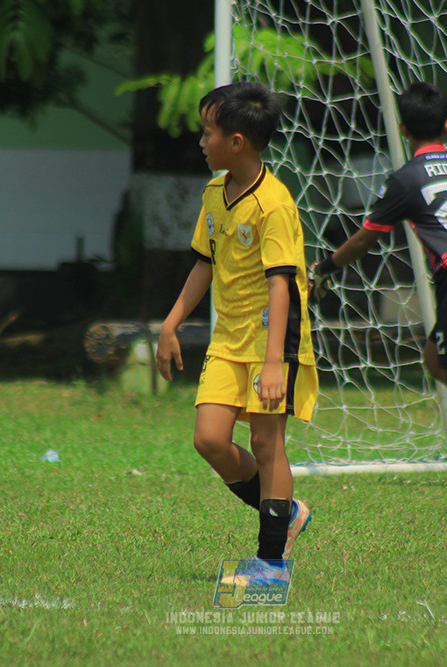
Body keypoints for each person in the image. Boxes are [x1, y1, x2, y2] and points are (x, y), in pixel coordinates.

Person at [310, 81, 447, 489]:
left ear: (401, 129)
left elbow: (366, 236)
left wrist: (327, 265)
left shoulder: (406, 178)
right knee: (435, 357)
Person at [156, 82, 318, 585]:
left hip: (275, 340)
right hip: (229, 338)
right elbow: (205, 264)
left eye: (208, 132)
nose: (201, 142)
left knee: (268, 445)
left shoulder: (274, 204)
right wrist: (170, 323)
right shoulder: (214, 192)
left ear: (237, 141)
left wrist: (274, 363)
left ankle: (271, 564)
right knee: (209, 439)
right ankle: (287, 512)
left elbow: (281, 286)